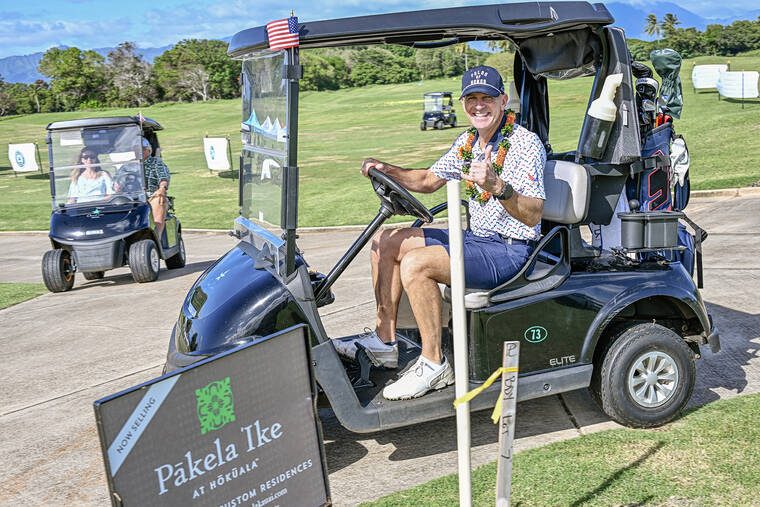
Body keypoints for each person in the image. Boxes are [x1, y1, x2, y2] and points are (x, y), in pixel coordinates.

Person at [333, 66, 547, 400]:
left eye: (487, 98)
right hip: (477, 238)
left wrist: (497, 186)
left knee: (417, 263)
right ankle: (384, 341)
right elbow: (429, 181)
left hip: (510, 250)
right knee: (386, 241)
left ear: (503, 100)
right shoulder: (467, 143)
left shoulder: (525, 144)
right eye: (472, 99)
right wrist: (387, 169)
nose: (479, 106)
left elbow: (533, 216)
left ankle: (434, 363)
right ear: (463, 104)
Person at [140, 137, 171, 241]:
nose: (138, 151)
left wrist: (162, 188)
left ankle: (156, 239)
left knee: (159, 200)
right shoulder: (128, 165)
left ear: (148, 150)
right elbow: (117, 181)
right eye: (136, 149)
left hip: (151, 197)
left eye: (141, 149)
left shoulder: (156, 163)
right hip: (132, 198)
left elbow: (163, 178)